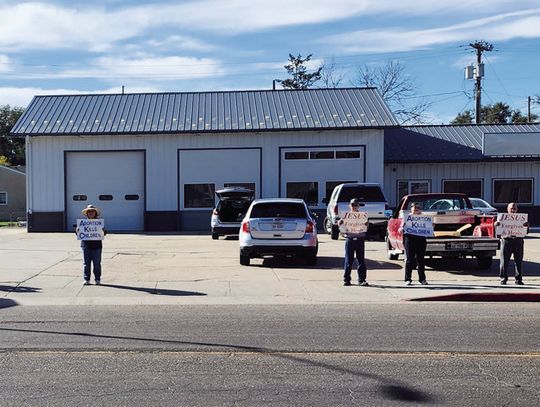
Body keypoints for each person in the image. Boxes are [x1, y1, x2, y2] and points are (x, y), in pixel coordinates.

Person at [496, 202, 529, 285]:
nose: (513, 210)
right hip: (507, 240)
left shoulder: (521, 219)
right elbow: (498, 232)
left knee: (518, 261)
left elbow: (525, 232)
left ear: (517, 209)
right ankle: (503, 278)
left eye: (515, 208)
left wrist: (527, 226)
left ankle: (518, 279)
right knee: (504, 261)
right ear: (507, 209)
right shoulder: (502, 219)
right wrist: (496, 225)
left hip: (518, 240)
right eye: (511, 208)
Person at [340, 198, 369, 286]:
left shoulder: (362, 216)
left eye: (356, 205)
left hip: (360, 239)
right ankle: (346, 279)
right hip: (350, 239)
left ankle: (361, 280)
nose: (354, 207)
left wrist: (366, 225)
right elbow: (341, 226)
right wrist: (340, 223)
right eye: (353, 205)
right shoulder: (346, 216)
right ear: (350, 205)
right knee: (349, 260)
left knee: (361, 260)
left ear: (358, 206)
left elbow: (366, 228)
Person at [77, 204, 106, 285]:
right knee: (86, 264)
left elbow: (104, 233)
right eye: (89, 211)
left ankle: (97, 279)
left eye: (92, 211)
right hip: (86, 246)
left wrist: (103, 230)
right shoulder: (83, 223)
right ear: (86, 213)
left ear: (95, 213)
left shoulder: (99, 223)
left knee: (97, 264)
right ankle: (86, 279)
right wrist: (77, 230)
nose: (90, 213)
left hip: (97, 246)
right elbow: (78, 233)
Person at [401, 202, 428, 286]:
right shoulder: (407, 217)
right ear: (411, 208)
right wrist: (402, 227)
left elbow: (428, 228)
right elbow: (401, 228)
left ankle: (422, 279)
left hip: (421, 239)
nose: (416, 209)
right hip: (410, 239)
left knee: (421, 260)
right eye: (415, 207)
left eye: (418, 207)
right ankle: (408, 279)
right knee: (409, 260)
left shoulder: (424, 218)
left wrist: (431, 226)